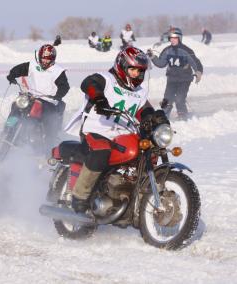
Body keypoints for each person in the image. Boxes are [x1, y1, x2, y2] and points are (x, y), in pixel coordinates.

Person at [67, 46, 169, 212]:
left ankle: (134, 197)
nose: (136, 74)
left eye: (140, 71)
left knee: (148, 149)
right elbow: (89, 83)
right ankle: (80, 198)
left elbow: (144, 110)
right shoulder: (106, 78)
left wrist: (156, 119)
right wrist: (99, 98)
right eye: (133, 70)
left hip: (122, 135)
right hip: (96, 130)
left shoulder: (139, 92)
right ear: (122, 65)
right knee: (101, 151)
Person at [6, 44, 70, 147]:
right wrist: (12, 75)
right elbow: (18, 69)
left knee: (49, 118)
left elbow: (64, 86)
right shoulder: (33, 65)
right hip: (32, 97)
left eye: (48, 59)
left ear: (53, 59)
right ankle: (8, 129)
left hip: (49, 101)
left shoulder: (58, 71)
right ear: (39, 57)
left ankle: (49, 145)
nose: (45, 61)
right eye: (43, 58)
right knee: (16, 105)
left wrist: (58, 95)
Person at [147, 27, 203, 120]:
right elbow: (161, 63)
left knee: (179, 98)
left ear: (179, 38)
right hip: (172, 79)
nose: (172, 40)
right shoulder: (167, 50)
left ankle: (183, 115)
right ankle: (164, 116)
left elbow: (195, 62)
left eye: (175, 38)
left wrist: (198, 72)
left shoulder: (186, 50)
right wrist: (152, 57)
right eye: (171, 38)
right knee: (167, 99)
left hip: (185, 79)